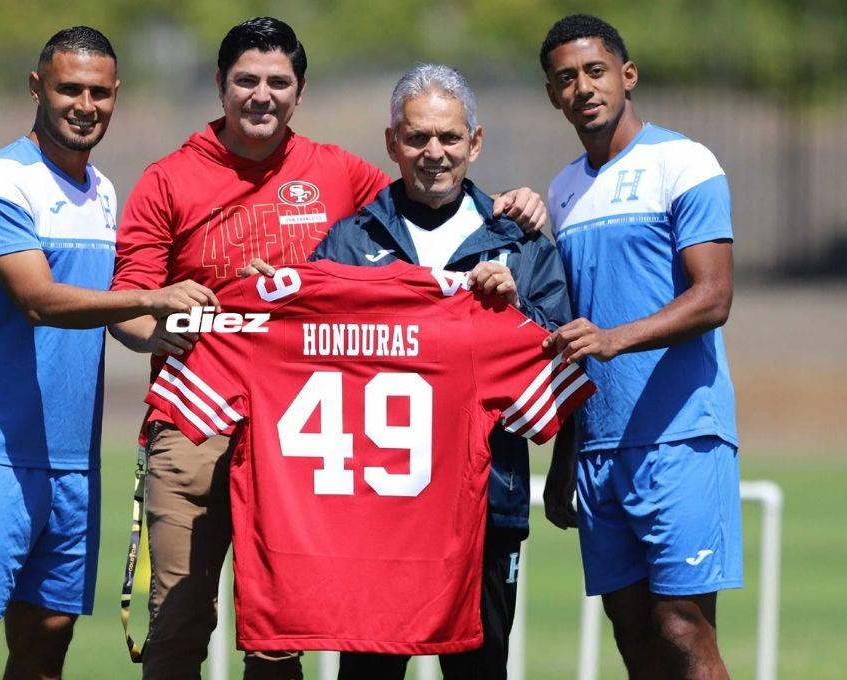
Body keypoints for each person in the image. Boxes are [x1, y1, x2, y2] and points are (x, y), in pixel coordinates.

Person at [109, 17, 548, 680]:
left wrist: (508, 209)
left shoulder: (340, 174)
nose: (262, 95)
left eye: (277, 81)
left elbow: (430, 192)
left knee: (278, 635)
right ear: (221, 85)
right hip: (198, 421)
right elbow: (127, 305)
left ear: (300, 90)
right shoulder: (168, 179)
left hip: (302, 440)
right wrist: (166, 332)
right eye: (247, 80)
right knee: (178, 625)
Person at [0, 27, 215, 680]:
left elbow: (111, 313)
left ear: (116, 95)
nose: (85, 105)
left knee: (48, 644)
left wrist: (166, 331)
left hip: (71, 461)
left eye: (99, 92)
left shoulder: (102, 192)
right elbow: (40, 301)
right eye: (69, 88)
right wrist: (153, 297)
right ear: (36, 87)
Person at [289, 63, 572, 680]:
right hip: (374, 512)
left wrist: (514, 313)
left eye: (449, 137)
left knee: (479, 672)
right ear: (392, 143)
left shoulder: (521, 245)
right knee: (368, 675)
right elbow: (301, 355)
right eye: (417, 137)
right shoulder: (347, 245)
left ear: (476, 142)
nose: (434, 153)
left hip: (484, 506)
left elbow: (560, 371)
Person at [538, 14, 742, 679]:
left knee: (681, 625)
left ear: (627, 75)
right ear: (552, 95)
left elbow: (713, 297)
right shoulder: (563, 192)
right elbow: (573, 329)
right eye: (566, 78)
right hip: (599, 448)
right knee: (632, 634)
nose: (583, 88)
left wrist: (614, 339)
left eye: (595, 71)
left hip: (680, 436)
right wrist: (567, 453)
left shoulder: (682, 162)